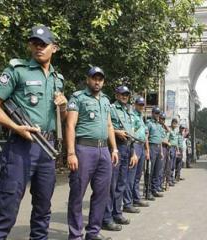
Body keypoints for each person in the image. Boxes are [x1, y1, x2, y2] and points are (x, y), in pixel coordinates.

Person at [0, 25, 68, 239]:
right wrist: (14, 127)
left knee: (43, 208)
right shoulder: (17, 70)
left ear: (54, 48)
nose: (38, 48)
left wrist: (64, 107)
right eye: (34, 43)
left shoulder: (58, 79)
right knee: (7, 207)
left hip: (46, 149)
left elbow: (62, 119)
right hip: (21, 147)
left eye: (44, 44)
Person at [66, 66, 118, 240]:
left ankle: (93, 232)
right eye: (94, 78)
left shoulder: (105, 100)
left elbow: (110, 126)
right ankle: (75, 235)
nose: (97, 82)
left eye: (100, 79)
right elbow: (70, 125)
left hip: (104, 151)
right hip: (83, 149)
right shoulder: (78, 97)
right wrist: (71, 153)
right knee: (77, 194)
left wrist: (114, 148)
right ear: (87, 79)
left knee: (102, 193)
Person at [102, 85, 138, 231]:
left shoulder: (129, 111)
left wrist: (133, 152)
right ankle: (106, 218)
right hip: (115, 147)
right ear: (116, 95)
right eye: (122, 94)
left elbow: (131, 132)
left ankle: (117, 213)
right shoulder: (110, 108)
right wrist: (116, 132)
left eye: (127, 94)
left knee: (121, 184)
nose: (124, 96)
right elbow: (103, 125)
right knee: (111, 184)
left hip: (127, 148)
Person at [128, 97, 150, 207]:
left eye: (142, 105)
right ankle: (128, 202)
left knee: (137, 176)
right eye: (139, 104)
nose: (141, 106)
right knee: (131, 176)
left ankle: (136, 198)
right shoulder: (132, 115)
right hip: (135, 145)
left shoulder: (141, 117)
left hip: (141, 145)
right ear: (135, 104)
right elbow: (131, 133)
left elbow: (145, 135)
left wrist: (146, 149)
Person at [146, 106, 164, 198]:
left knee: (157, 170)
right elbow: (146, 137)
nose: (157, 115)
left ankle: (154, 189)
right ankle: (148, 192)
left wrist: (161, 152)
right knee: (150, 171)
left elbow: (160, 140)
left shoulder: (159, 125)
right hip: (152, 147)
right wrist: (147, 150)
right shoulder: (149, 123)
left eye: (158, 113)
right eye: (156, 113)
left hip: (158, 148)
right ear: (152, 113)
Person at [159, 112, 171, 191]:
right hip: (161, 147)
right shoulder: (158, 127)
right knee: (161, 168)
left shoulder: (163, 127)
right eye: (161, 118)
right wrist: (166, 142)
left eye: (164, 119)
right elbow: (159, 139)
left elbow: (169, 131)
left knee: (167, 167)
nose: (162, 120)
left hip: (166, 148)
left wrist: (164, 124)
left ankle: (163, 183)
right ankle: (159, 184)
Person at [168, 118, 180, 187]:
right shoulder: (169, 130)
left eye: (176, 124)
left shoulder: (175, 131)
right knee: (170, 165)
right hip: (170, 148)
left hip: (174, 148)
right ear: (171, 123)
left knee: (173, 165)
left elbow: (176, 142)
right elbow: (167, 139)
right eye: (174, 123)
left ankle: (172, 179)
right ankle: (169, 180)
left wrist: (177, 150)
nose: (175, 125)